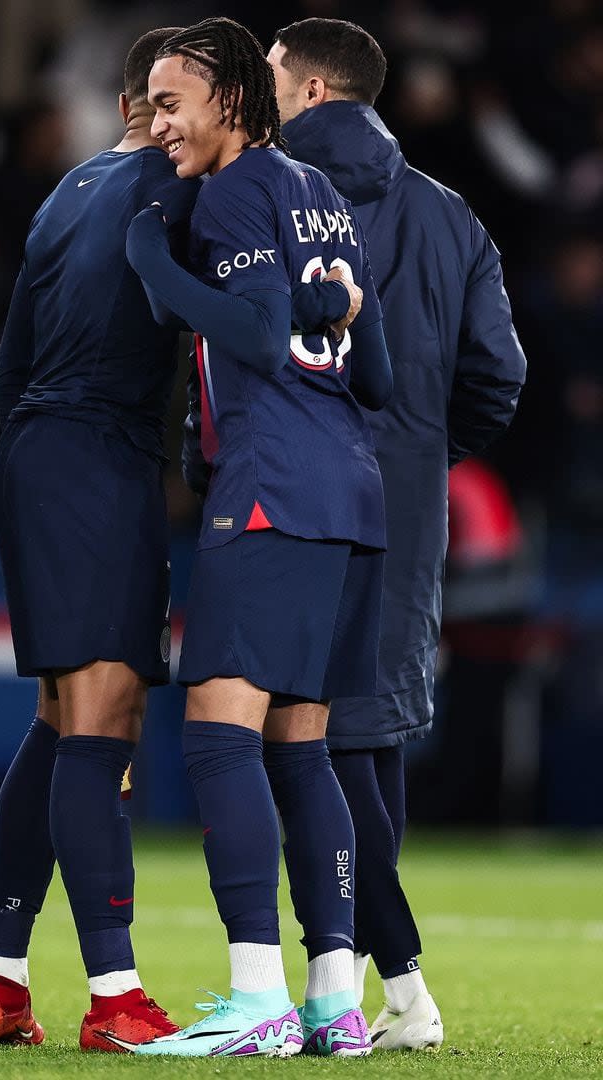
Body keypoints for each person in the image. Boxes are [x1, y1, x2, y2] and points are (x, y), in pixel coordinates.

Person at [124, 15, 393, 1058]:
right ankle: (334, 1002)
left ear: (232, 100)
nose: (158, 123)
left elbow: (247, 328)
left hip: (274, 486)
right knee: (303, 747)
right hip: (352, 492)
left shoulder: (238, 189)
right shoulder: (324, 194)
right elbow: (374, 378)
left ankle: (256, 998)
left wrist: (155, 261)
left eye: (172, 103)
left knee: (218, 736)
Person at [265, 16, 528, 1050]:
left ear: (320, 91)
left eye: (276, 77)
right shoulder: (453, 218)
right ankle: (369, 990)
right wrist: (416, 452)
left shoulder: (269, 197)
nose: (265, 90)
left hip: (288, 492)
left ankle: (391, 983)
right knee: (366, 737)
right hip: (406, 503)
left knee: (301, 735)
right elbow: (498, 377)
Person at [0, 26, 203, 1054]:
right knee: (102, 716)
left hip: (36, 453)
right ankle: (117, 998)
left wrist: (50, 451)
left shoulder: (69, 188)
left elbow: (8, 364)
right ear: (161, 103)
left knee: (63, 720)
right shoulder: (178, 192)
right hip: (94, 459)